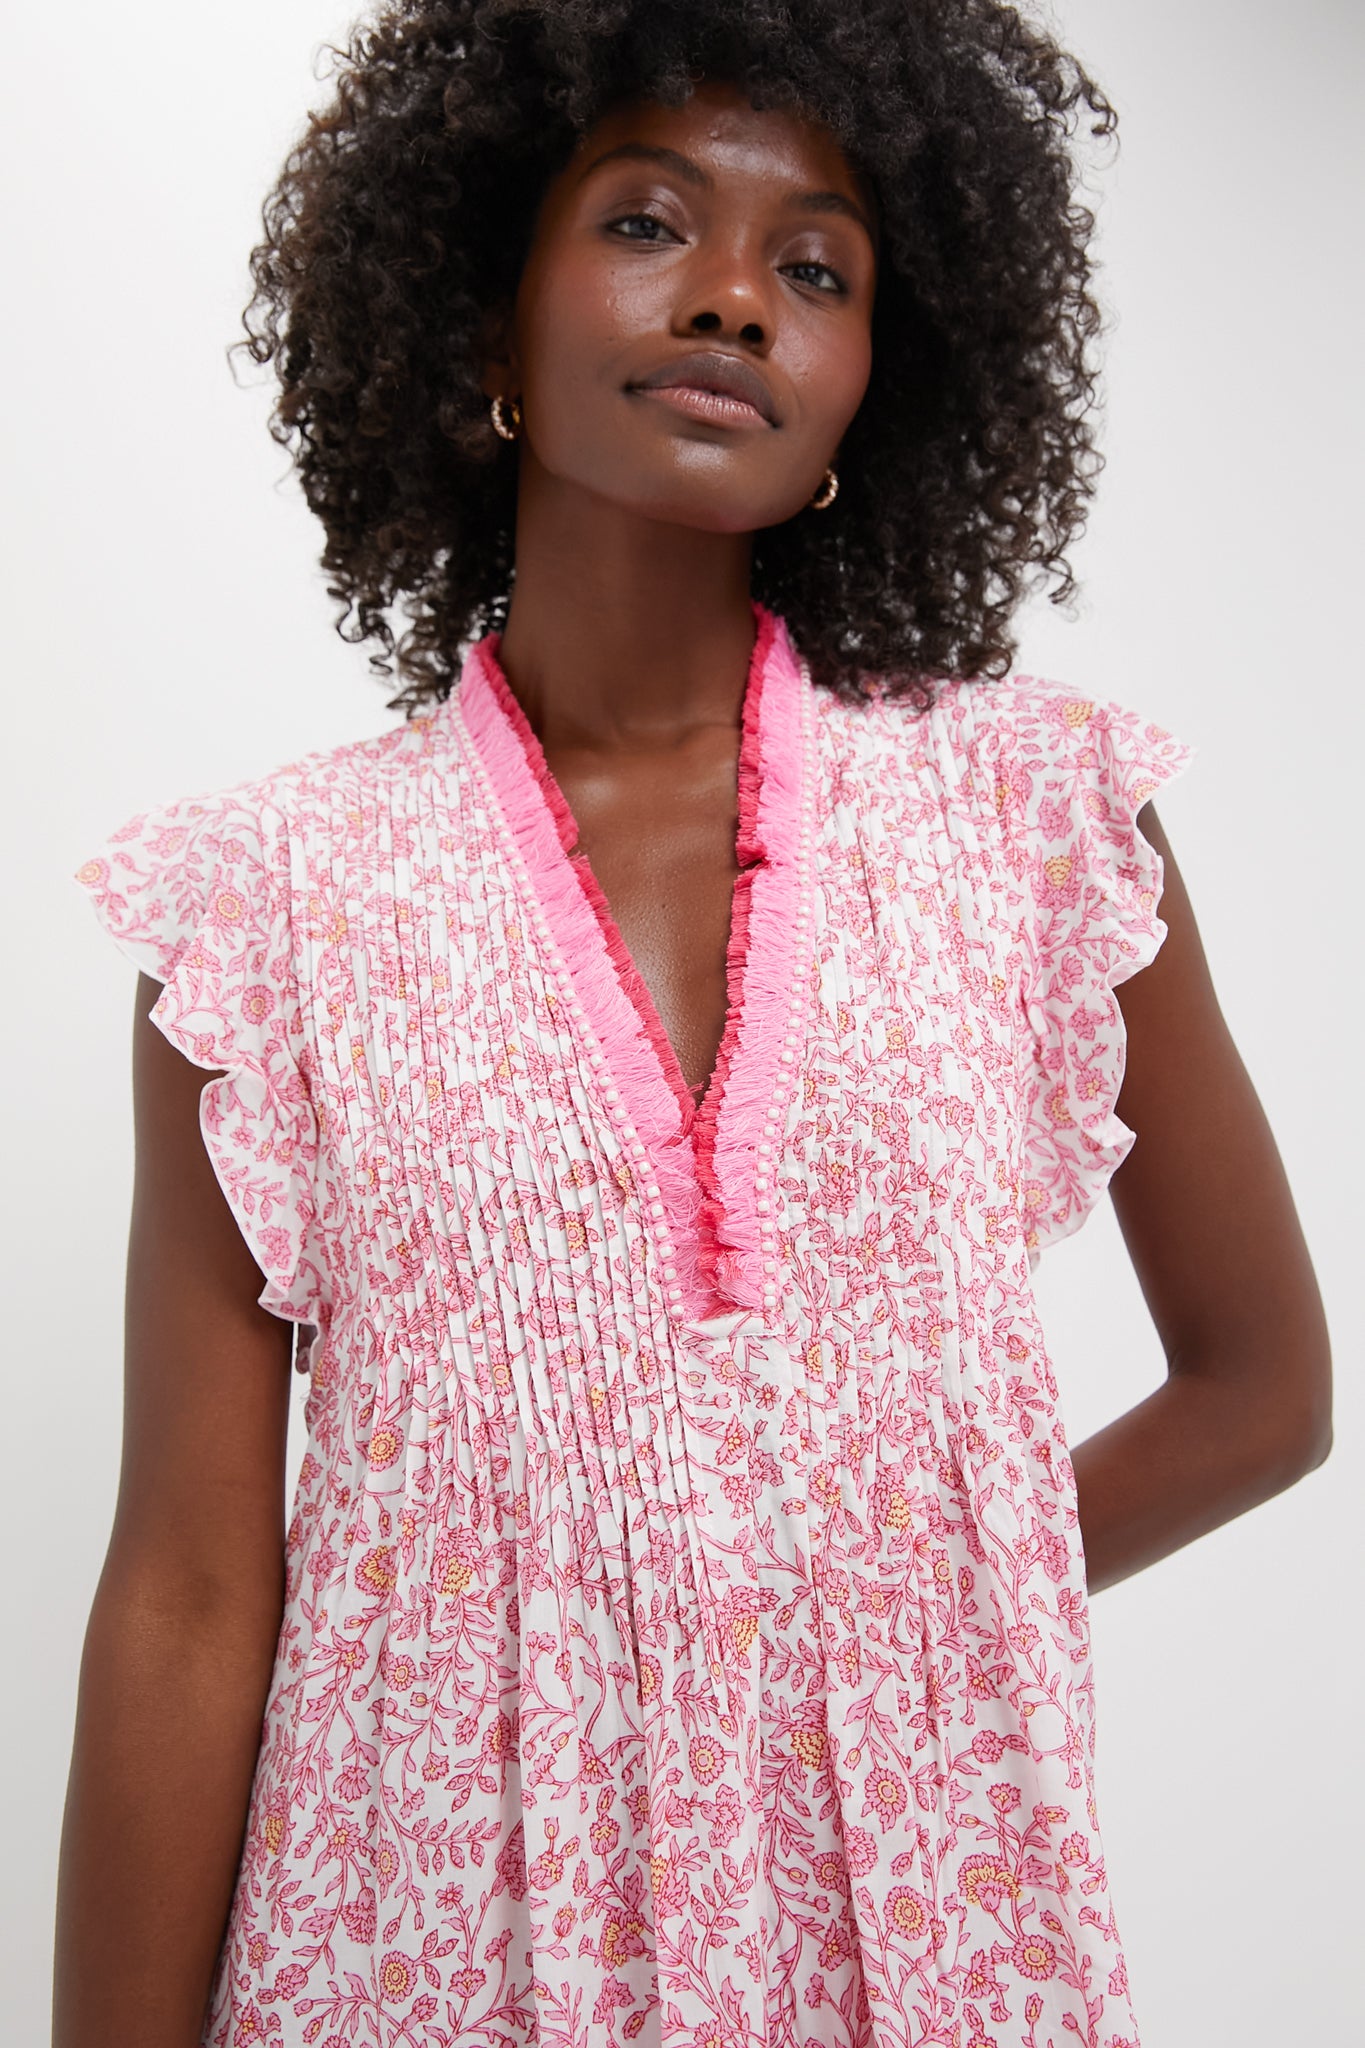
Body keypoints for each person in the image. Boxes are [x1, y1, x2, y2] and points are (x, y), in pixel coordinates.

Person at [54, 2, 1332, 2043]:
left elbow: (1262, 1389)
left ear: (874, 391)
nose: (733, 297)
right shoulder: (261, 909)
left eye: (814, 268)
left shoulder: (1038, 822)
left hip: (914, 1928)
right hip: (409, 1942)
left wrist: (886, 1608)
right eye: (648, 223)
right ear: (483, 311)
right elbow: (191, 1595)